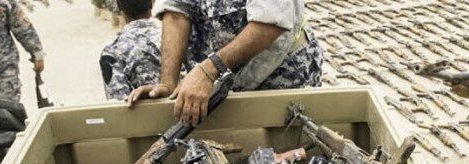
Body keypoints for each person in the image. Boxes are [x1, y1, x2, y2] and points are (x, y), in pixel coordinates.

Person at [126, 0, 324, 125]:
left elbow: (270, 24)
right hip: (218, 79)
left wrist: (208, 71)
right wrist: (168, 83)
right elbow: (176, 11)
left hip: (279, 76)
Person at [100, 0, 162, 101]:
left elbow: (118, 103)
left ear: (119, 8)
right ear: (151, 4)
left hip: (146, 111)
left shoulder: (112, 50)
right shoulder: (177, 37)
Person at [0, 0, 44, 106]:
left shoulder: (4, 3)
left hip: (4, 71)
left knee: (7, 110)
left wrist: (37, 53)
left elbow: (22, 27)